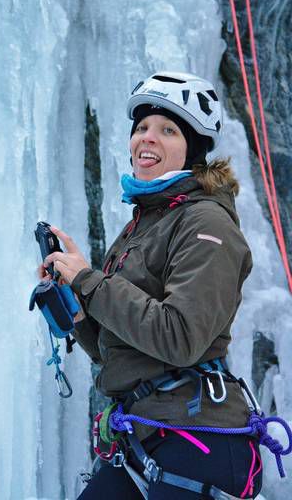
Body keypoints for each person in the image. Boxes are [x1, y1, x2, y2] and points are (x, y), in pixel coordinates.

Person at [39, 72, 263, 499]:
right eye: (141, 127)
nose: (148, 138)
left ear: (193, 150)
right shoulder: (145, 224)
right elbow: (117, 347)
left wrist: (90, 280)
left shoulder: (206, 222)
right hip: (148, 436)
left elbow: (180, 337)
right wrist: (74, 300)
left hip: (199, 440)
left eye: (167, 130)